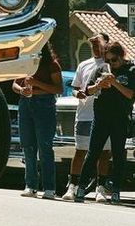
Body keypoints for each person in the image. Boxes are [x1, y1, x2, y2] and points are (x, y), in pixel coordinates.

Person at [75, 41, 135, 205]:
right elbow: (87, 90)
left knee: (118, 154)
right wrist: (99, 84)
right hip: (101, 117)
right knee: (93, 151)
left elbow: (130, 94)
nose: (111, 64)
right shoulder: (101, 69)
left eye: (114, 60)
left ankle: (115, 189)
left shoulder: (131, 70)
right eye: (108, 61)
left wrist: (115, 83)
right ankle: (81, 186)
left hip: (120, 118)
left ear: (121, 56)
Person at [62, 33, 111, 202]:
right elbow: (75, 88)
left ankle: (101, 188)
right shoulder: (84, 65)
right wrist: (78, 93)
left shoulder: (110, 64)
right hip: (84, 114)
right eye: (93, 46)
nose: (95, 49)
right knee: (80, 151)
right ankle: (72, 186)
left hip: (104, 114)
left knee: (104, 153)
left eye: (98, 45)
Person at [13, 42, 63, 199]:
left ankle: (49, 188)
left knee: (45, 147)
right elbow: (14, 83)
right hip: (25, 103)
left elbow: (58, 89)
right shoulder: (25, 62)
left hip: (44, 104)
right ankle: (30, 186)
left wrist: (36, 84)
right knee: (28, 146)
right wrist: (22, 89)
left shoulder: (52, 65)